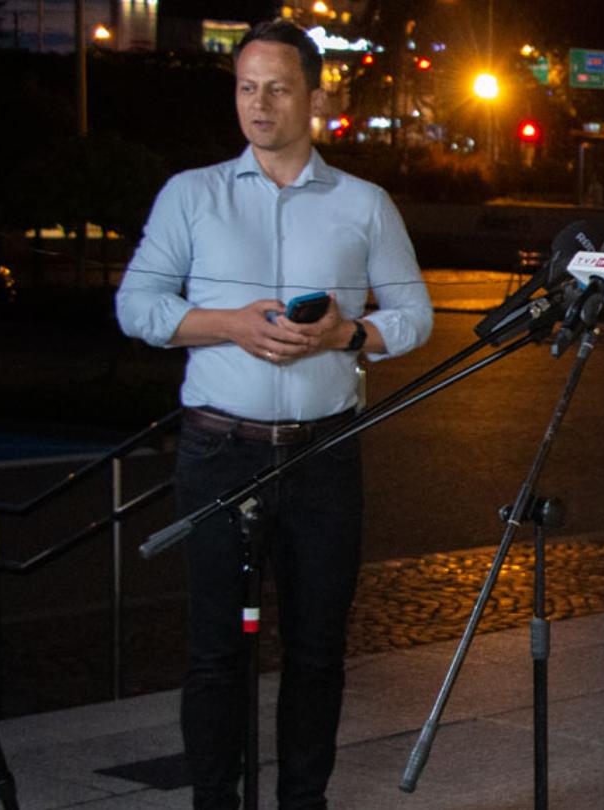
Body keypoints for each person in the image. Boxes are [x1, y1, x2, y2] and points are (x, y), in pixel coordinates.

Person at [114, 18, 433, 810]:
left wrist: (347, 335)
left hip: (324, 456)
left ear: (315, 98)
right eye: (246, 88)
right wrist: (228, 323)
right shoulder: (192, 195)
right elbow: (137, 305)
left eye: (278, 89)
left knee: (318, 651)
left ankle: (303, 801)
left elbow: (415, 316)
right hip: (218, 452)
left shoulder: (364, 203)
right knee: (215, 653)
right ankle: (214, 802)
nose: (258, 105)